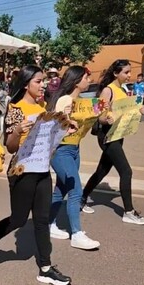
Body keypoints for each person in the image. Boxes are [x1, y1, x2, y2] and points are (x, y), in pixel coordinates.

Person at [0, 65, 72, 285]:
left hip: (42, 172)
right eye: (39, 81)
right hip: (22, 171)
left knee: (41, 219)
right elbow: (10, 147)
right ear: (27, 83)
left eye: (44, 81)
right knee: (18, 219)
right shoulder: (15, 108)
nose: (43, 85)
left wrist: (64, 131)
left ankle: (46, 268)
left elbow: (48, 144)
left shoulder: (43, 108)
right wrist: (17, 130)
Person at [80, 59, 144, 225]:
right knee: (126, 171)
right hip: (107, 136)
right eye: (126, 72)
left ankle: (81, 198)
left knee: (102, 171)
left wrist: (138, 110)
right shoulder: (107, 90)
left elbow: (125, 111)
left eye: (129, 72)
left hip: (118, 135)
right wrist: (106, 119)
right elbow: (99, 114)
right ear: (115, 73)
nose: (129, 75)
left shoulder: (122, 89)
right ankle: (129, 212)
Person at [46, 66, 101, 250]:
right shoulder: (65, 99)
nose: (89, 80)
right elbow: (58, 123)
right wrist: (69, 118)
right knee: (76, 190)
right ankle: (76, 233)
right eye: (87, 77)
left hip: (74, 149)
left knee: (61, 190)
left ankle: (49, 223)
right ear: (77, 80)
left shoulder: (78, 100)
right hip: (61, 150)